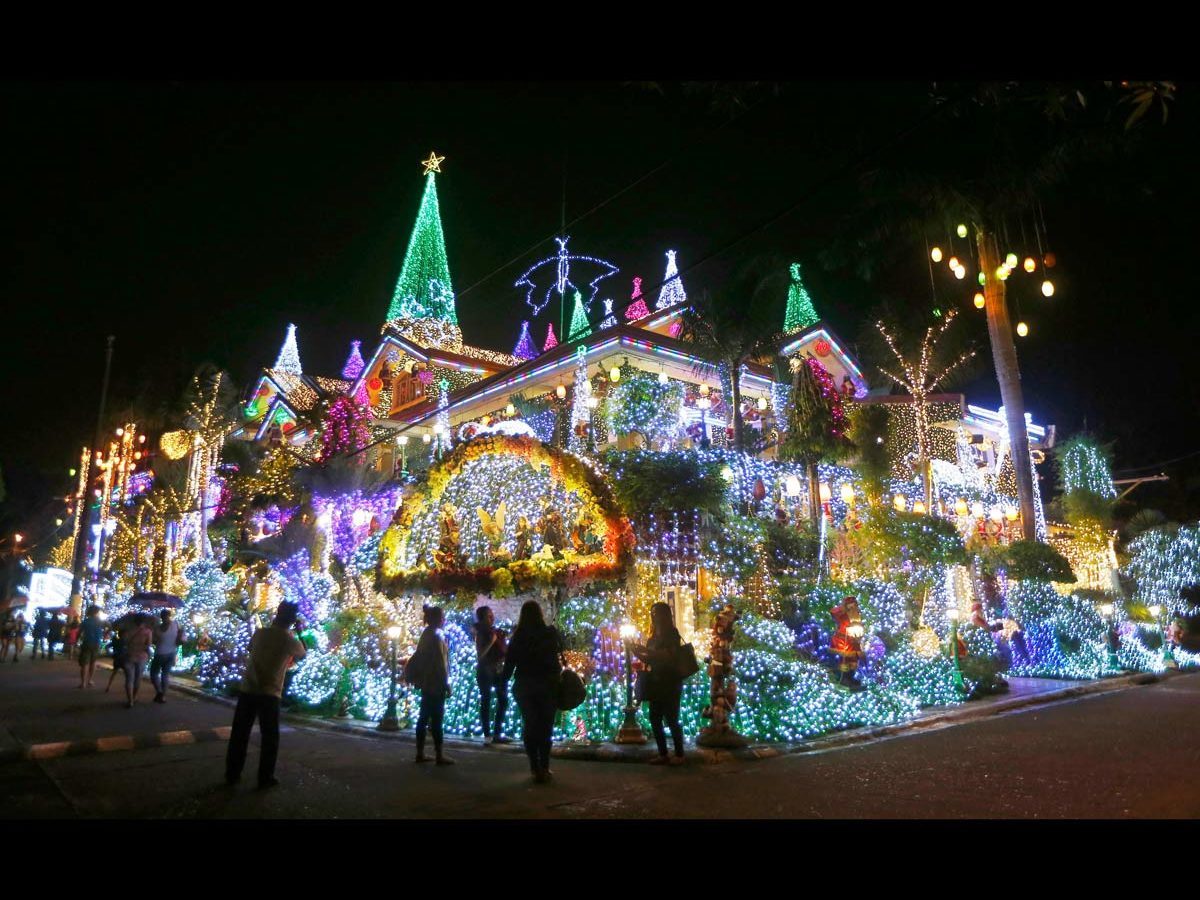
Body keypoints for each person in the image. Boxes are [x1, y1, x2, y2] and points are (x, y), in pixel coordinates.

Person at [224, 601, 307, 789]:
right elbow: (303, 654)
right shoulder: (289, 640)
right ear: (293, 619)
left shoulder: (260, 633)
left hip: (248, 689)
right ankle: (265, 777)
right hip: (269, 693)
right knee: (269, 738)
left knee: (240, 734)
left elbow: (250, 649)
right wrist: (300, 632)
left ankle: (232, 773)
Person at [502, 600, 562, 784]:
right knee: (545, 726)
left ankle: (535, 767)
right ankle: (544, 765)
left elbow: (509, 664)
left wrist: (502, 680)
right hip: (547, 684)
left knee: (530, 724)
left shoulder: (518, 637)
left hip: (525, 685)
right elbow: (557, 656)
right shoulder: (549, 633)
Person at [632, 602, 687, 765]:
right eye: (653, 613)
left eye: (657, 612)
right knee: (654, 718)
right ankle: (663, 754)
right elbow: (650, 659)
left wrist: (644, 650)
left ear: (665, 615)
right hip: (655, 681)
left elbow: (668, 655)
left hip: (671, 681)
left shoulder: (672, 634)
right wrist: (635, 651)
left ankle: (680, 754)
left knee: (672, 718)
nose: (654, 616)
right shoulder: (653, 637)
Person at [405, 605, 453, 765]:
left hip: (426, 681)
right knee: (436, 719)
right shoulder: (436, 636)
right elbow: (440, 663)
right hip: (435, 683)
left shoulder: (426, 634)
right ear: (438, 619)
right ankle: (439, 754)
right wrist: (446, 684)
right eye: (442, 617)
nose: (444, 620)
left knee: (424, 717)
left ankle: (420, 752)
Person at [472, 606, 510, 744]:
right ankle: (488, 735)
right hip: (485, 670)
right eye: (489, 616)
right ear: (482, 619)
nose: (492, 618)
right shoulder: (481, 633)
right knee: (486, 700)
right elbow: (480, 655)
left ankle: (497, 733)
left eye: (492, 615)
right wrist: (492, 641)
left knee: (503, 700)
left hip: (497, 670)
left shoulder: (494, 631)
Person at [150, 609, 184, 703]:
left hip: (160, 653)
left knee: (154, 673)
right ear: (169, 615)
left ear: (161, 617)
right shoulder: (176, 624)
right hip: (171, 653)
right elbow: (181, 636)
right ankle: (162, 696)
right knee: (165, 675)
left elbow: (153, 641)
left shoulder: (157, 628)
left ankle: (159, 692)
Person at [122, 615, 154, 708]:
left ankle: (130, 700)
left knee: (129, 679)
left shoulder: (129, 631)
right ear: (144, 622)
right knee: (138, 678)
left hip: (129, 655)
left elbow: (124, 642)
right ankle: (134, 696)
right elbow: (148, 645)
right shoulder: (148, 632)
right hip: (142, 656)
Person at [77, 606, 104, 688]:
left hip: (87, 643)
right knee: (93, 662)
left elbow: (79, 632)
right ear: (97, 612)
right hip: (96, 643)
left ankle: (83, 683)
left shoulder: (86, 621)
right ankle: (90, 680)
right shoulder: (100, 621)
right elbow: (110, 626)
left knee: (84, 664)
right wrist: (105, 634)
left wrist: (77, 640)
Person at [105, 625, 127, 693]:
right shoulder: (125, 642)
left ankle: (108, 686)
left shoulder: (116, 641)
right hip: (124, 659)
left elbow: (107, 646)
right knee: (128, 674)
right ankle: (127, 687)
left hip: (117, 658)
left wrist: (110, 653)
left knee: (114, 673)